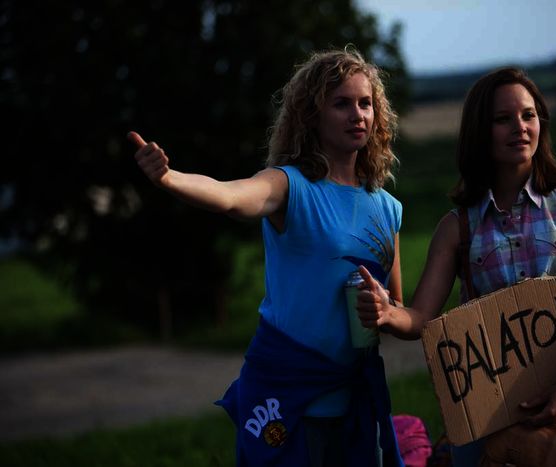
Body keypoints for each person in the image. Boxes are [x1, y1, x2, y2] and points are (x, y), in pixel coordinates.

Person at [128, 48, 406, 467]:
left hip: (356, 406)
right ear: (312, 115)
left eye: (365, 103)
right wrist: (170, 178)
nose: (358, 115)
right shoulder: (289, 186)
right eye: (341, 103)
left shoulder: (388, 208)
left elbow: (399, 310)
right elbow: (229, 196)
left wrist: (385, 312)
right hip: (288, 401)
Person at [356, 67, 556, 466]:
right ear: (479, 132)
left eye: (528, 115)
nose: (519, 127)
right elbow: (421, 318)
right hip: (488, 429)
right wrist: (387, 313)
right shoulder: (458, 227)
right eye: (502, 119)